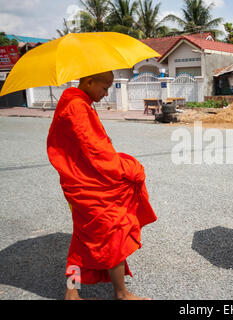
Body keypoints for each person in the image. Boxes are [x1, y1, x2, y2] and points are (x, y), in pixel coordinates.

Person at [47, 71, 157, 300]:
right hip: (89, 185)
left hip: (78, 182)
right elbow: (96, 151)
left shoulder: (76, 101)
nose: (106, 94)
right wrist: (127, 169)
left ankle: (71, 291)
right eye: (105, 88)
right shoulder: (77, 106)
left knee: (81, 239)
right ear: (89, 82)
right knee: (114, 234)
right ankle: (122, 294)